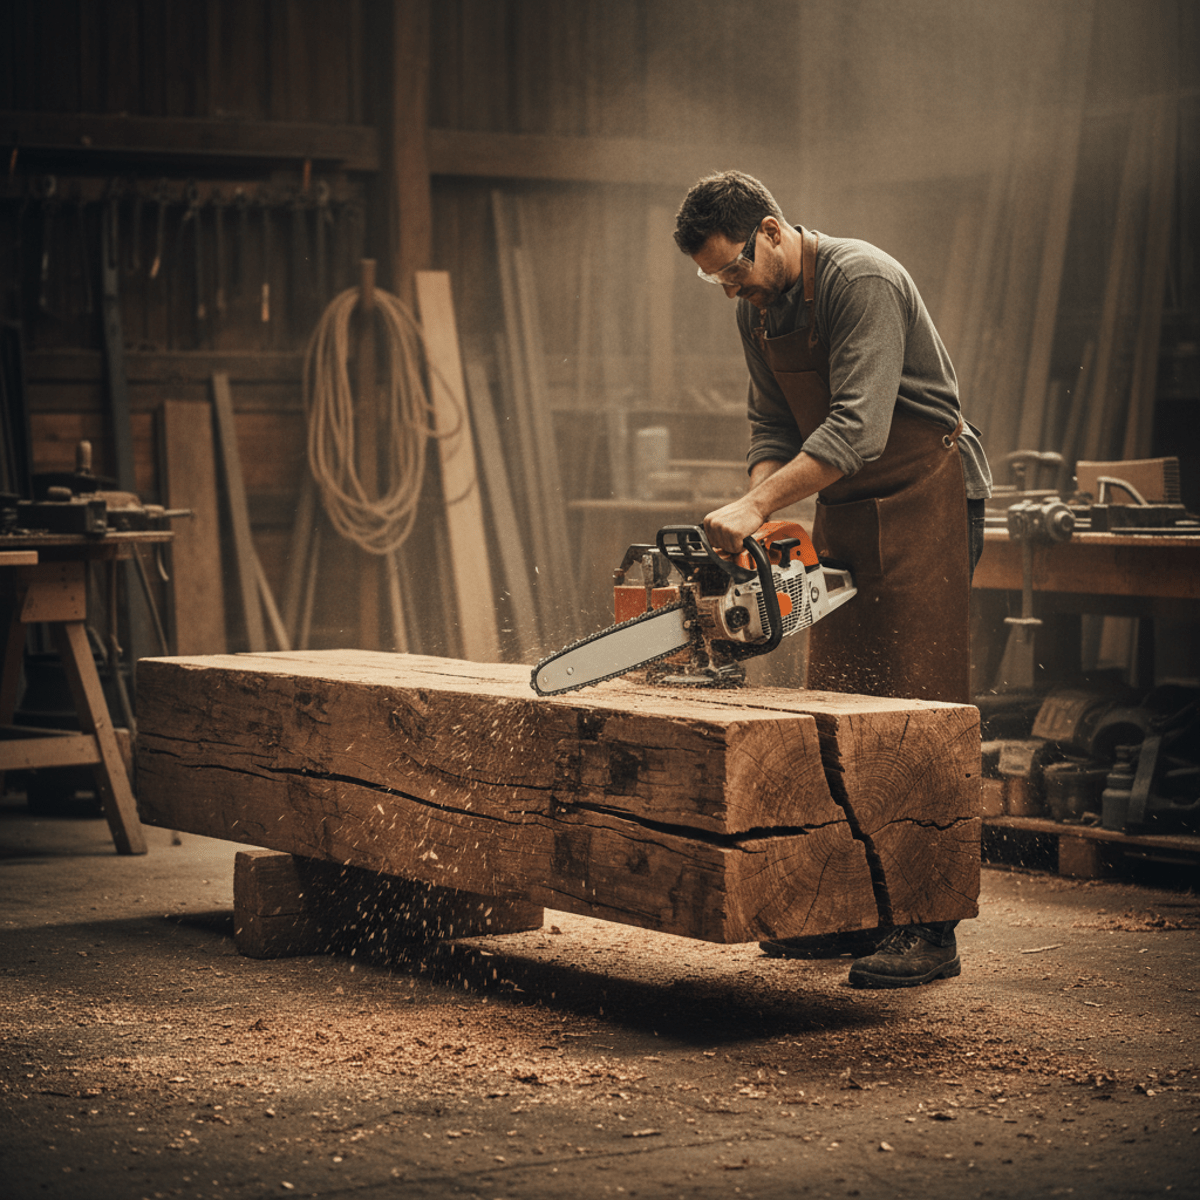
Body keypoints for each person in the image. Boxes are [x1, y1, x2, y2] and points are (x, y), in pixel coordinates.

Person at [673, 170, 992, 989]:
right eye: (715, 278)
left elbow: (858, 424)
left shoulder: (863, 280)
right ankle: (847, 908)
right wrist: (768, 512)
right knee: (841, 697)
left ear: (773, 231)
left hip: (920, 487)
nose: (730, 288)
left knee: (916, 705)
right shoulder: (759, 309)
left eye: (735, 268)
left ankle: (929, 925)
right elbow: (770, 422)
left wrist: (755, 504)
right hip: (840, 499)